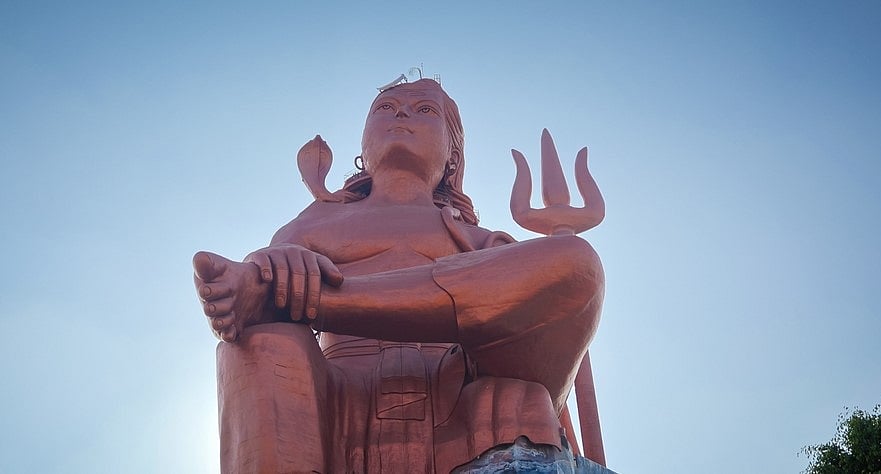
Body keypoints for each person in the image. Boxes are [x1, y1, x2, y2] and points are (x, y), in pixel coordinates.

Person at [193, 79, 604, 473]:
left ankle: (325, 301)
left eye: (424, 110)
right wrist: (276, 267)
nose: (401, 114)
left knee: (574, 261)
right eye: (385, 109)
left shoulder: (480, 240)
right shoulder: (315, 224)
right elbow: (256, 277)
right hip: (338, 388)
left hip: (457, 380)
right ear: (364, 148)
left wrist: (291, 292)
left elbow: (530, 317)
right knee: (259, 338)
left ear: (452, 155)